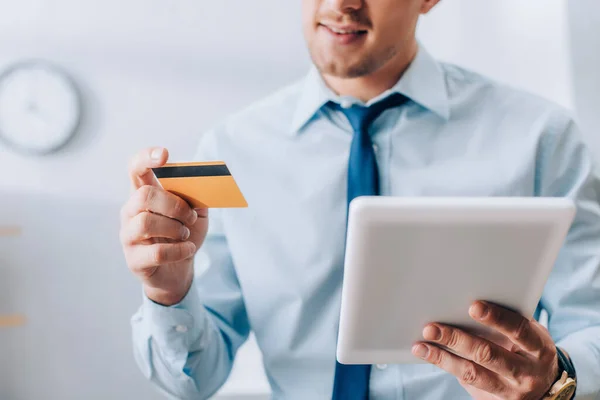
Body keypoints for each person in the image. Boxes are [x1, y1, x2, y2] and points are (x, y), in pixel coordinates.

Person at [121, 0, 600, 398]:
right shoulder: (232, 149)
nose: (340, 4)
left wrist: (555, 380)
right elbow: (194, 380)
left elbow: (592, 323)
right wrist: (168, 292)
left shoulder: (541, 139)